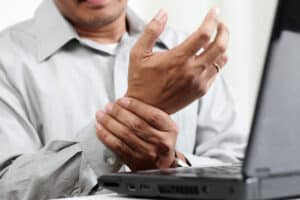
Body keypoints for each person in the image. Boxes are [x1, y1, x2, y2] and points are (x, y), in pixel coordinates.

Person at [0, 0, 247, 199]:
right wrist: (117, 138)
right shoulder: (6, 59)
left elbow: (240, 165)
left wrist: (174, 166)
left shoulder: (189, 56)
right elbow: (7, 186)